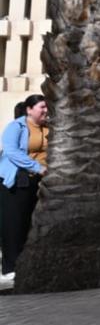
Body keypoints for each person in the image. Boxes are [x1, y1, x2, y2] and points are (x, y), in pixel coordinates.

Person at [0, 95, 49, 280]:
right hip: (18, 179)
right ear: (29, 109)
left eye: (47, 107)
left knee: (31, 222)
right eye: (42, 107)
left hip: (40, 181)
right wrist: (37, 167)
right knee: (14, 223)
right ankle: (9, 266)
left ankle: (27, 263)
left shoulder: (48, 128)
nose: (46, 110)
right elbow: (11, 151)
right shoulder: (17, 127)